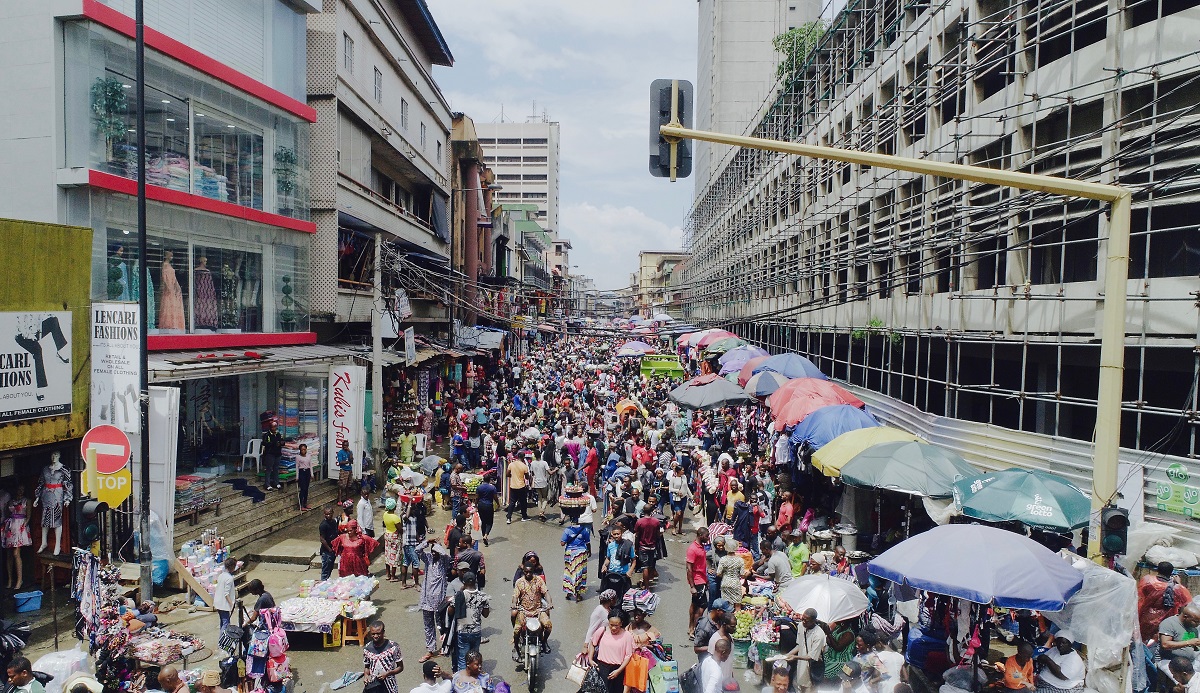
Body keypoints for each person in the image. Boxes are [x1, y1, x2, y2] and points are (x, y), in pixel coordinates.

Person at [418, 535, 453, 663]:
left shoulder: (443, 562)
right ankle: (430, 650)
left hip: (440, 601)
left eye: (435, 552)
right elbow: (417, 550)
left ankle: (445, 647)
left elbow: (446, 555)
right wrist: (427, 542)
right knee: (428, 626)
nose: (434, 554)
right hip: (426, 599)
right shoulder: (428, 559)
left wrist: (438, 546)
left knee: (442, 626)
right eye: (432, 551)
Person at [511, 559, 554, 661]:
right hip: (523, 611)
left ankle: (543, 641)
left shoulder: (539, 580)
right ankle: (516, 648)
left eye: (530, 571)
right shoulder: (519, 582)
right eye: (526, 571)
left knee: (548, 626)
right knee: (516, 631)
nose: (528, 574)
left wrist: (550, 603)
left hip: (538, 610)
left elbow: (546, 593)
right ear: (523, 571)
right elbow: (515, 596)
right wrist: (513, 604)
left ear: (533, 570)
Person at [1140, 562, 1194, 639]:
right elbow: (1186, 602)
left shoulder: (1147, 581)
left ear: (1157, 570)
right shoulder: (1177, 588)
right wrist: (1179, 583)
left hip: (1146, 617)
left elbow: (1142, 594)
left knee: (1143, 640)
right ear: (1171, 572)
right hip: (1165, 620)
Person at [779, 609, 828, 693]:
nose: (803, 622)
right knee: (801, 687)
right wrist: (787, 655)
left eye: (807, 620)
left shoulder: (819, 635)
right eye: (803, 619)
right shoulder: (801, 626)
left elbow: (812, 656)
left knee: (809, 689)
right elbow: (800, 645)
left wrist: (795, 657)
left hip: (812, 667)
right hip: (801, 666)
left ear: (813, 621)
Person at [587, 610, 635, 693]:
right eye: (611, 625)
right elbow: (592, 643)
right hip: (601, 669)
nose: (613, 628)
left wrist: (619, 670)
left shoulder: (627, 636)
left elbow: (628, 656)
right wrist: (590, 659)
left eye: (616, 625)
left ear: (621, 623)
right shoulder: (602, 631)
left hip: (618, 670)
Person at [453, 572, 490, 673]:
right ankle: (475, 679)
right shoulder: (483, 596)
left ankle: (462, 682)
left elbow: (451, 610)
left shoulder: (460, 595)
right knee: (475, 658)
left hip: (463, 631)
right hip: (476, 631)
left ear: (463, 582)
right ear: (475, 581)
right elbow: (486, 614)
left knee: (462, 659)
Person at [363, 621, 403, 693]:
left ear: (383, 632)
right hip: (374, 686)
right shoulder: (367, 649)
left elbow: (400, 667)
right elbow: (367, 666)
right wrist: (366, 675)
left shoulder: (393, 647)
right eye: (373, 634)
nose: (375, 636)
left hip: (390, 685)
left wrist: (388, 673)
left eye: (378, 633)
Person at [687, 527, 711, 640]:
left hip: (701, 579)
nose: (708, 538)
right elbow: (689, 568)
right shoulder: (693, 549)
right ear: (701, 535)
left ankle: (691, 628)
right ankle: (695, 629)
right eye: (707, 536)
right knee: (702, 605)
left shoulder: (701, 547)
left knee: (694, 604)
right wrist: (692, 586)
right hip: (697, 581)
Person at [1161, 605, 1200, 670]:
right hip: (1169, 663)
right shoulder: (1170, 623)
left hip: (1188, 664)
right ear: (1185, 617)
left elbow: (1194, 647)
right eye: (1195, 621)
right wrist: (1189, 642)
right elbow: (1165, 644)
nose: (1198, 624)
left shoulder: (1193, 628)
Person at [693, 599, 732, 663]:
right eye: (724, 612)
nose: (726, 614)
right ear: (718, 611)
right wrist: (714, 647)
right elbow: (696, 649)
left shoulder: (721, 620)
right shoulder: (704, 626)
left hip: (720, 659)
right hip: (707, 661)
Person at [562, 517, 591, 600]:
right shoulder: (584, 530)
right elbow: (588, 542)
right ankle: (578, 594)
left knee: (569, 572)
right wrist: (589, 551)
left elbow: (562, 543)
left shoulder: (567, 530)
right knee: (580, 573)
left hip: (570, 553)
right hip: (581, 553)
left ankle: (569, 592)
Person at [602, 524, 635, 598]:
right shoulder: (610, 545)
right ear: (612, 534)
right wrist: (604, 566)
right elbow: (608, 558)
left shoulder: (628, 545)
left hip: (623, 574)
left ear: (621, 534)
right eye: (614, 534)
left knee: (624, 597)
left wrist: (630, 571)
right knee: (611, 597)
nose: (616, 536)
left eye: (618, 534)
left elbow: (634, 560)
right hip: (612, 573)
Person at [401, 498, 426, 588]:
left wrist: (419, 542)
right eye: (413, 508)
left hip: (412, 543)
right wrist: (410, 503)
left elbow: (414, 531)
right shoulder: (404, 516)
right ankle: (416, 584)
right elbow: (406, 516)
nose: (414, 510)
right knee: (416, 562)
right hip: (408, 544)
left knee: (406, 562)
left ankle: (404, 583)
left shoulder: (414, 518)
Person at [713, 536, 746, 605]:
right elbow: (742, 575)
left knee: (725, 605)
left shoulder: (723, 559)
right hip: (735, 583)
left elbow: (718, 573)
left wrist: (725, 575)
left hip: (725, 582)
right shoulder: (740, 560)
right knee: (737, 605)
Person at [213, 557, 237, 633]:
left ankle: (222, 639)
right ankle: (222, 641)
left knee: (222, 622)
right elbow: (226, 594)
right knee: (226, 623)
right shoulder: (229, 578)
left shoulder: (221, 575)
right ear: (232, 567)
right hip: (223, 605)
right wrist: (232, 604)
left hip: (218, 603)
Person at [505, 452, 530, 523]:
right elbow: (527, 477)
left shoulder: (511, 464)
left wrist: (512, 476)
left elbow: (507, 474)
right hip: (521, 486)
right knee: (523, 502)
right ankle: (524, 516)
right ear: (523, 457)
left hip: (513, 486)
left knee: (512, 502)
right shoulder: (524, 466)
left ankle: (509, 518)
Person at [382, 498, 402, 583]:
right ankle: (393, 576)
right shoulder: (395, 518)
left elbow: (384, 524)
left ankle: (388, 574)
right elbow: (400, 529)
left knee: (387, 554)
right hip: (394, 536)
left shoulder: (385, 514)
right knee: (394, 555)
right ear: (394, 507)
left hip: (387, 534)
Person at [474, 476, 498, 547]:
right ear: (489, 480)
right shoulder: (492, 488)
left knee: (483, 522)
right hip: (489, 506)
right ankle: (486, 535)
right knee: (490, 522)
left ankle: (483, 535)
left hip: (481, 505)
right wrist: (498, 503)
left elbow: (477, 497)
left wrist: (475, 505)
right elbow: (495, 497)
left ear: (483, 479)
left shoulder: (479, 487)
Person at [318, 506, 340, 581]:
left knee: (330, 569)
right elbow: (322, 539)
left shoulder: (333, 522)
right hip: (327, 551)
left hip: (333, 549)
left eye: (329, 514)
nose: (328, 516)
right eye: (326, 514)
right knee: (325, 571)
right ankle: (323, 584)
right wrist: (329, 549)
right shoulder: (323, 525)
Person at [261, 419, 283, 491]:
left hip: (277, 454)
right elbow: (264, 443)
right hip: (270, 454)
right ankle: (267, 484)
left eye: (275, 427)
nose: (274, 428)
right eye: (273, 427)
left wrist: (281, 443)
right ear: (270, 428)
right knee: (269, 469)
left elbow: (282, 441)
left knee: (276, 469)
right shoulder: (267, 435)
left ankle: (276, 482)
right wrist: (273, 443)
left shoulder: (278, 434)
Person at [530, 451, 552, 521]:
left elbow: (532, 473)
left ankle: (540, 512)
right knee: (545, 498)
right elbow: (550, 472)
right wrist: (555, 469)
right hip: (543, 482)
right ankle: (542, 511)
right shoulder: (544, 463)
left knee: (539, 498)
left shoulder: (532, 463)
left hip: (536, 482)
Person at [337, 439, 355, 504]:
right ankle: (339, 500)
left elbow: (352, 460)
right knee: (341, 486)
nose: (345, 447)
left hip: (349, 470)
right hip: (343, 470)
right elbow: (340, 462)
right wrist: (347, 462)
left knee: (348, 485)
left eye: (346, 445)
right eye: (344, 445)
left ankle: (347, 498)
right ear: (342, 446)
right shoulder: (340, 452)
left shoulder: (350, 452)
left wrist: (349, 452)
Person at [295, 443, 313, 510]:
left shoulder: (308, 456)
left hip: (307, 472)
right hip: (302, 472)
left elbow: (310, 465)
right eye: (302, 450)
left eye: (304, 449)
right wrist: (297, 476)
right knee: (303, 489)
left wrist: (312, 474)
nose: (303, 451)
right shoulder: (298, 457)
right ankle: (301, 504)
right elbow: (297, 466)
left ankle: (305, 503)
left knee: (307, 489)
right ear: (300, 450)